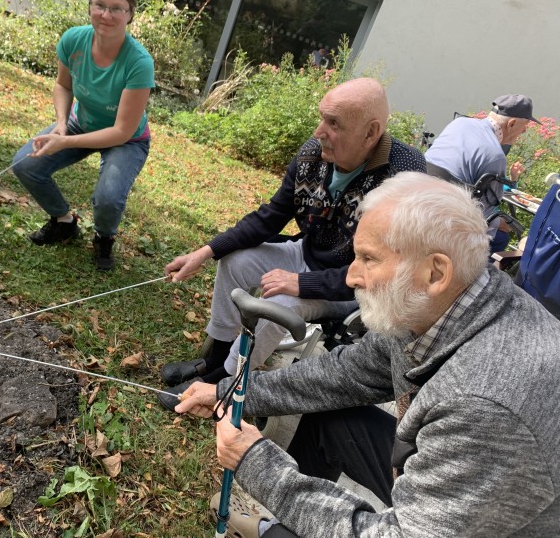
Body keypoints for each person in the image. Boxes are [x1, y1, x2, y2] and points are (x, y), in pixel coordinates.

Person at [176, 172, 560, 537]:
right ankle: (284, 523)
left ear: (435, 272)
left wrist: (256, 463)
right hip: (454, 481)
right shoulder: (445, 301)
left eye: (368, 259)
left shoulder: (486, 405)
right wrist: (232, 390)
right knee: (327, 420)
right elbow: (348, 375)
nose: (351, 276)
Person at [158, 77, 426, 410]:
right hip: (306, 253)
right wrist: (207, 251)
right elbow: (271, 216)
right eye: (322, 117)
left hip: (351, 288)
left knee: (280, 301)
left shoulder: (405, 177)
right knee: (235, 261)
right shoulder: (314, 154)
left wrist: (300, 283)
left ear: (371, 133)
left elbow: (379, 273)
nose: (318, 131)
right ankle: (214, 359)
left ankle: (223, 385)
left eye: (333, 123)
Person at [11, 0, 155, 271]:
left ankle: (104, 236)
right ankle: (64, 222)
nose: (106, 14)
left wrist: (65, 142)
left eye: (117, 8)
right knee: (25, 164)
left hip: (125, 139)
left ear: (130, 14)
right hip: (79, 123)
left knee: (108, 198)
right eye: (99, 5)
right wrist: (62, 125)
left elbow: (121, 131)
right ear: (89, 5)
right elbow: (63, 85)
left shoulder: (139, 63)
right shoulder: (73, 40)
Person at [425, 94, 539, 253]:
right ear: (512, 124)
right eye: (525, 125)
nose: (525, 130)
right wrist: (498, 223)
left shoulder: (459, 123)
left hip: (418, 198)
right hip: (446, 223)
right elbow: (484, 212)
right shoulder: (495, 155)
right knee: (501, 237)